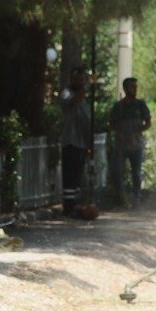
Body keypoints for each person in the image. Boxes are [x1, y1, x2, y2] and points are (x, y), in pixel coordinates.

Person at [110, 77, 152, 202]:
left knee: (136, 173)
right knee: (116, 171)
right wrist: (119, 133)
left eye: (135, 86)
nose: (134, 89)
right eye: (131, 87)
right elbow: (112, 123)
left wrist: (136, 132)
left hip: (136, 145)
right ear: (125, 88)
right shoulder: (119, 106)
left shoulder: (140, 105)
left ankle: (136, 197)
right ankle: (120, 196)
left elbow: (148, 122)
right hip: (121, 145)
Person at [59, 72, 92, 216]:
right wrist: (87, 87)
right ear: (71, 79)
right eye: (77, 79)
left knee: (78, 175)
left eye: (82, 80)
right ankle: (68, 206)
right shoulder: (66, 93)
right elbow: (72, 102)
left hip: (81, 142)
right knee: (70, 175)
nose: (80, 82)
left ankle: (76, 205)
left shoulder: (83, 99)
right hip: (70, 141)